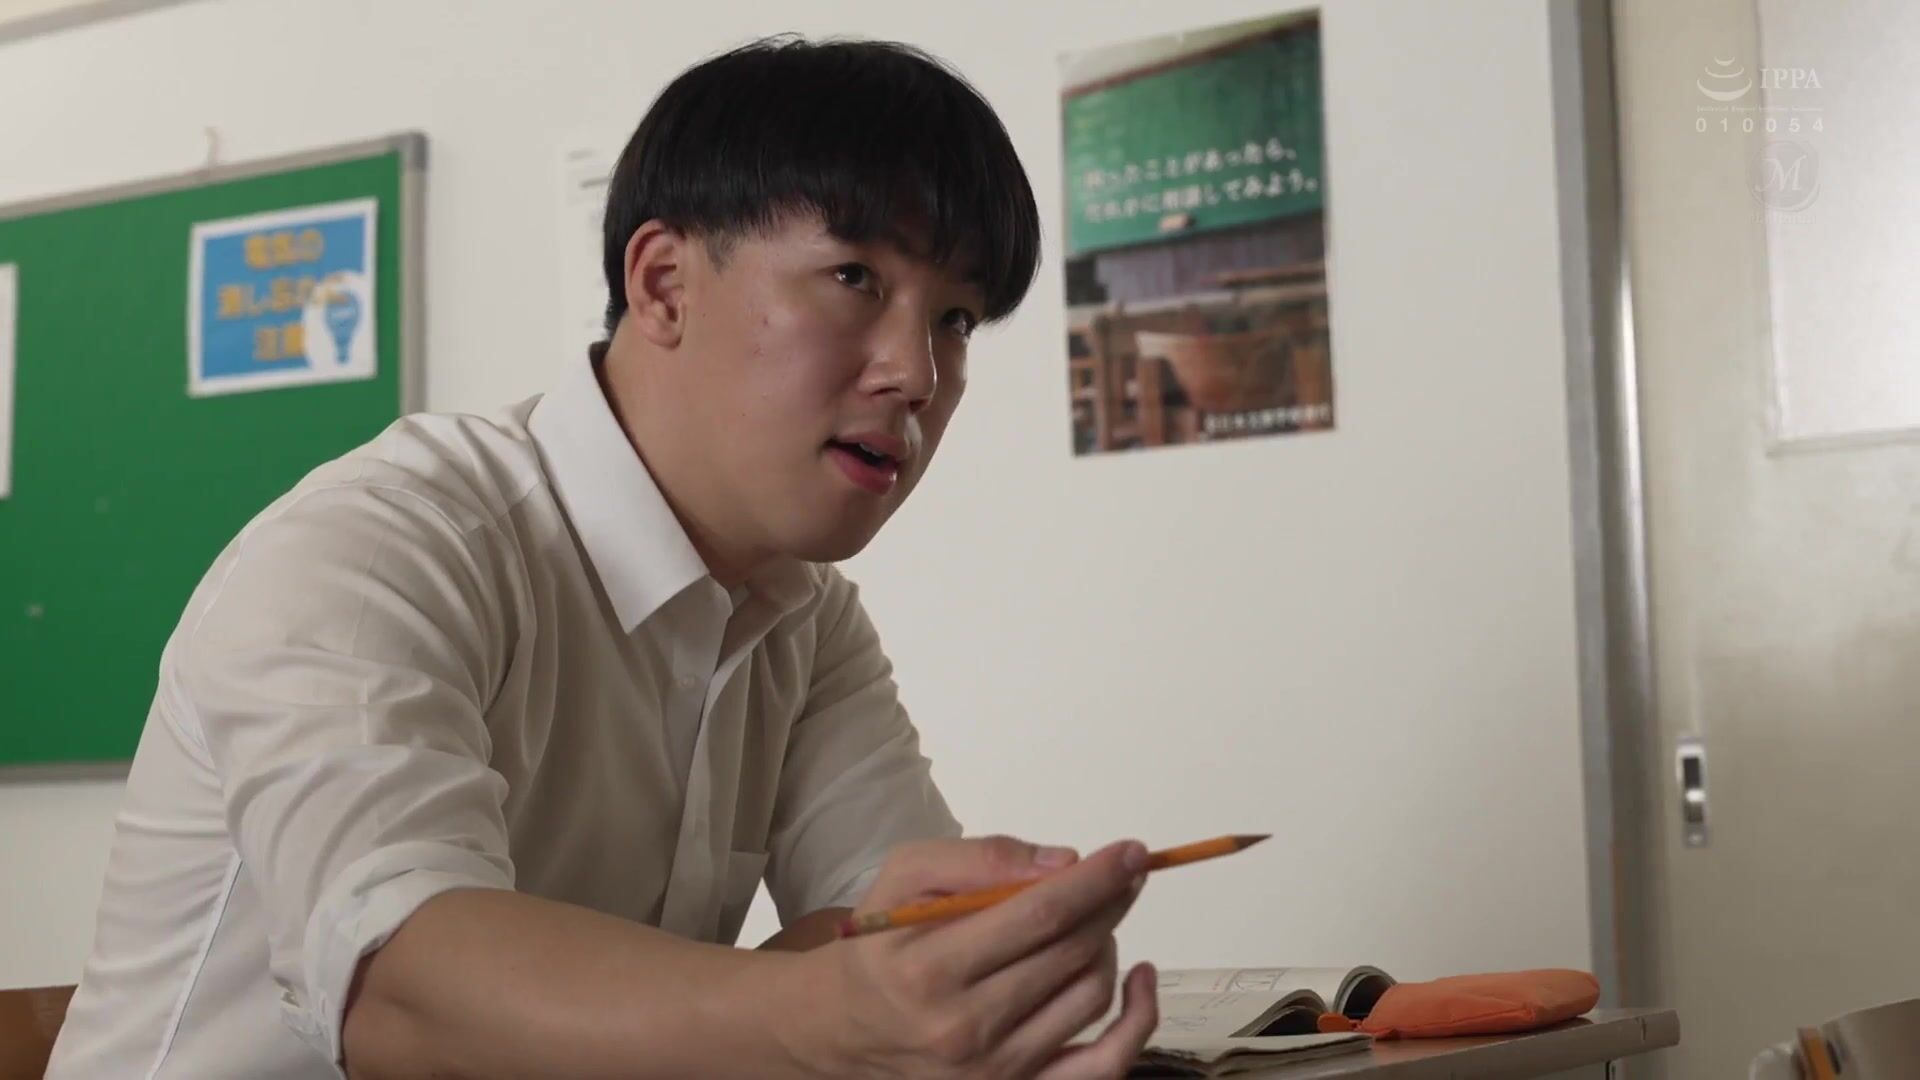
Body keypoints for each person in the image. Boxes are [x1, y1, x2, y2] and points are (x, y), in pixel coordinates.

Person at [46, 34, 1160, 1080]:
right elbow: (402, 992)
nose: (917, 373)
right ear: (664, 283)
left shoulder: (804, 616)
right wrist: (838, 1013)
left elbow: (881, 930)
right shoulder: (380, 545)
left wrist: (984, 975)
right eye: (856, 279)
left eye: (956, 319)